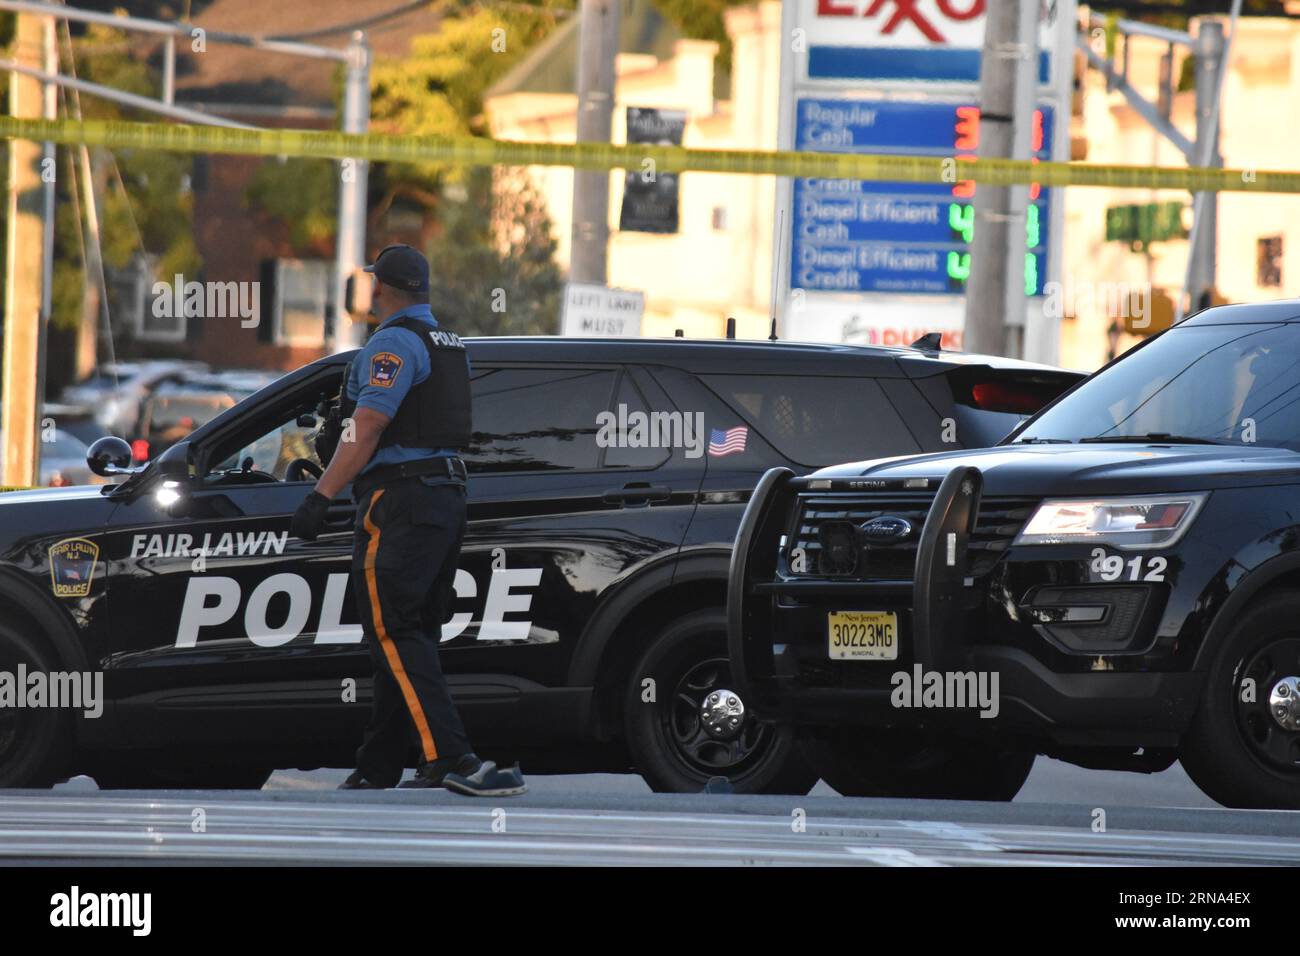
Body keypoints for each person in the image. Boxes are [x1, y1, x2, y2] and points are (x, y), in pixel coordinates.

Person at [290, 243, 526, 797]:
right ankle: (380, 762)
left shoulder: (392, 342)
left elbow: (368, 426)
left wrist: (320, 496)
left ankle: (455, 759)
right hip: (444, 500)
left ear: (383, 290)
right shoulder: (449, 344)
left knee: (394, 629)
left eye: (374, 283)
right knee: (411, 632)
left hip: (400, 502)